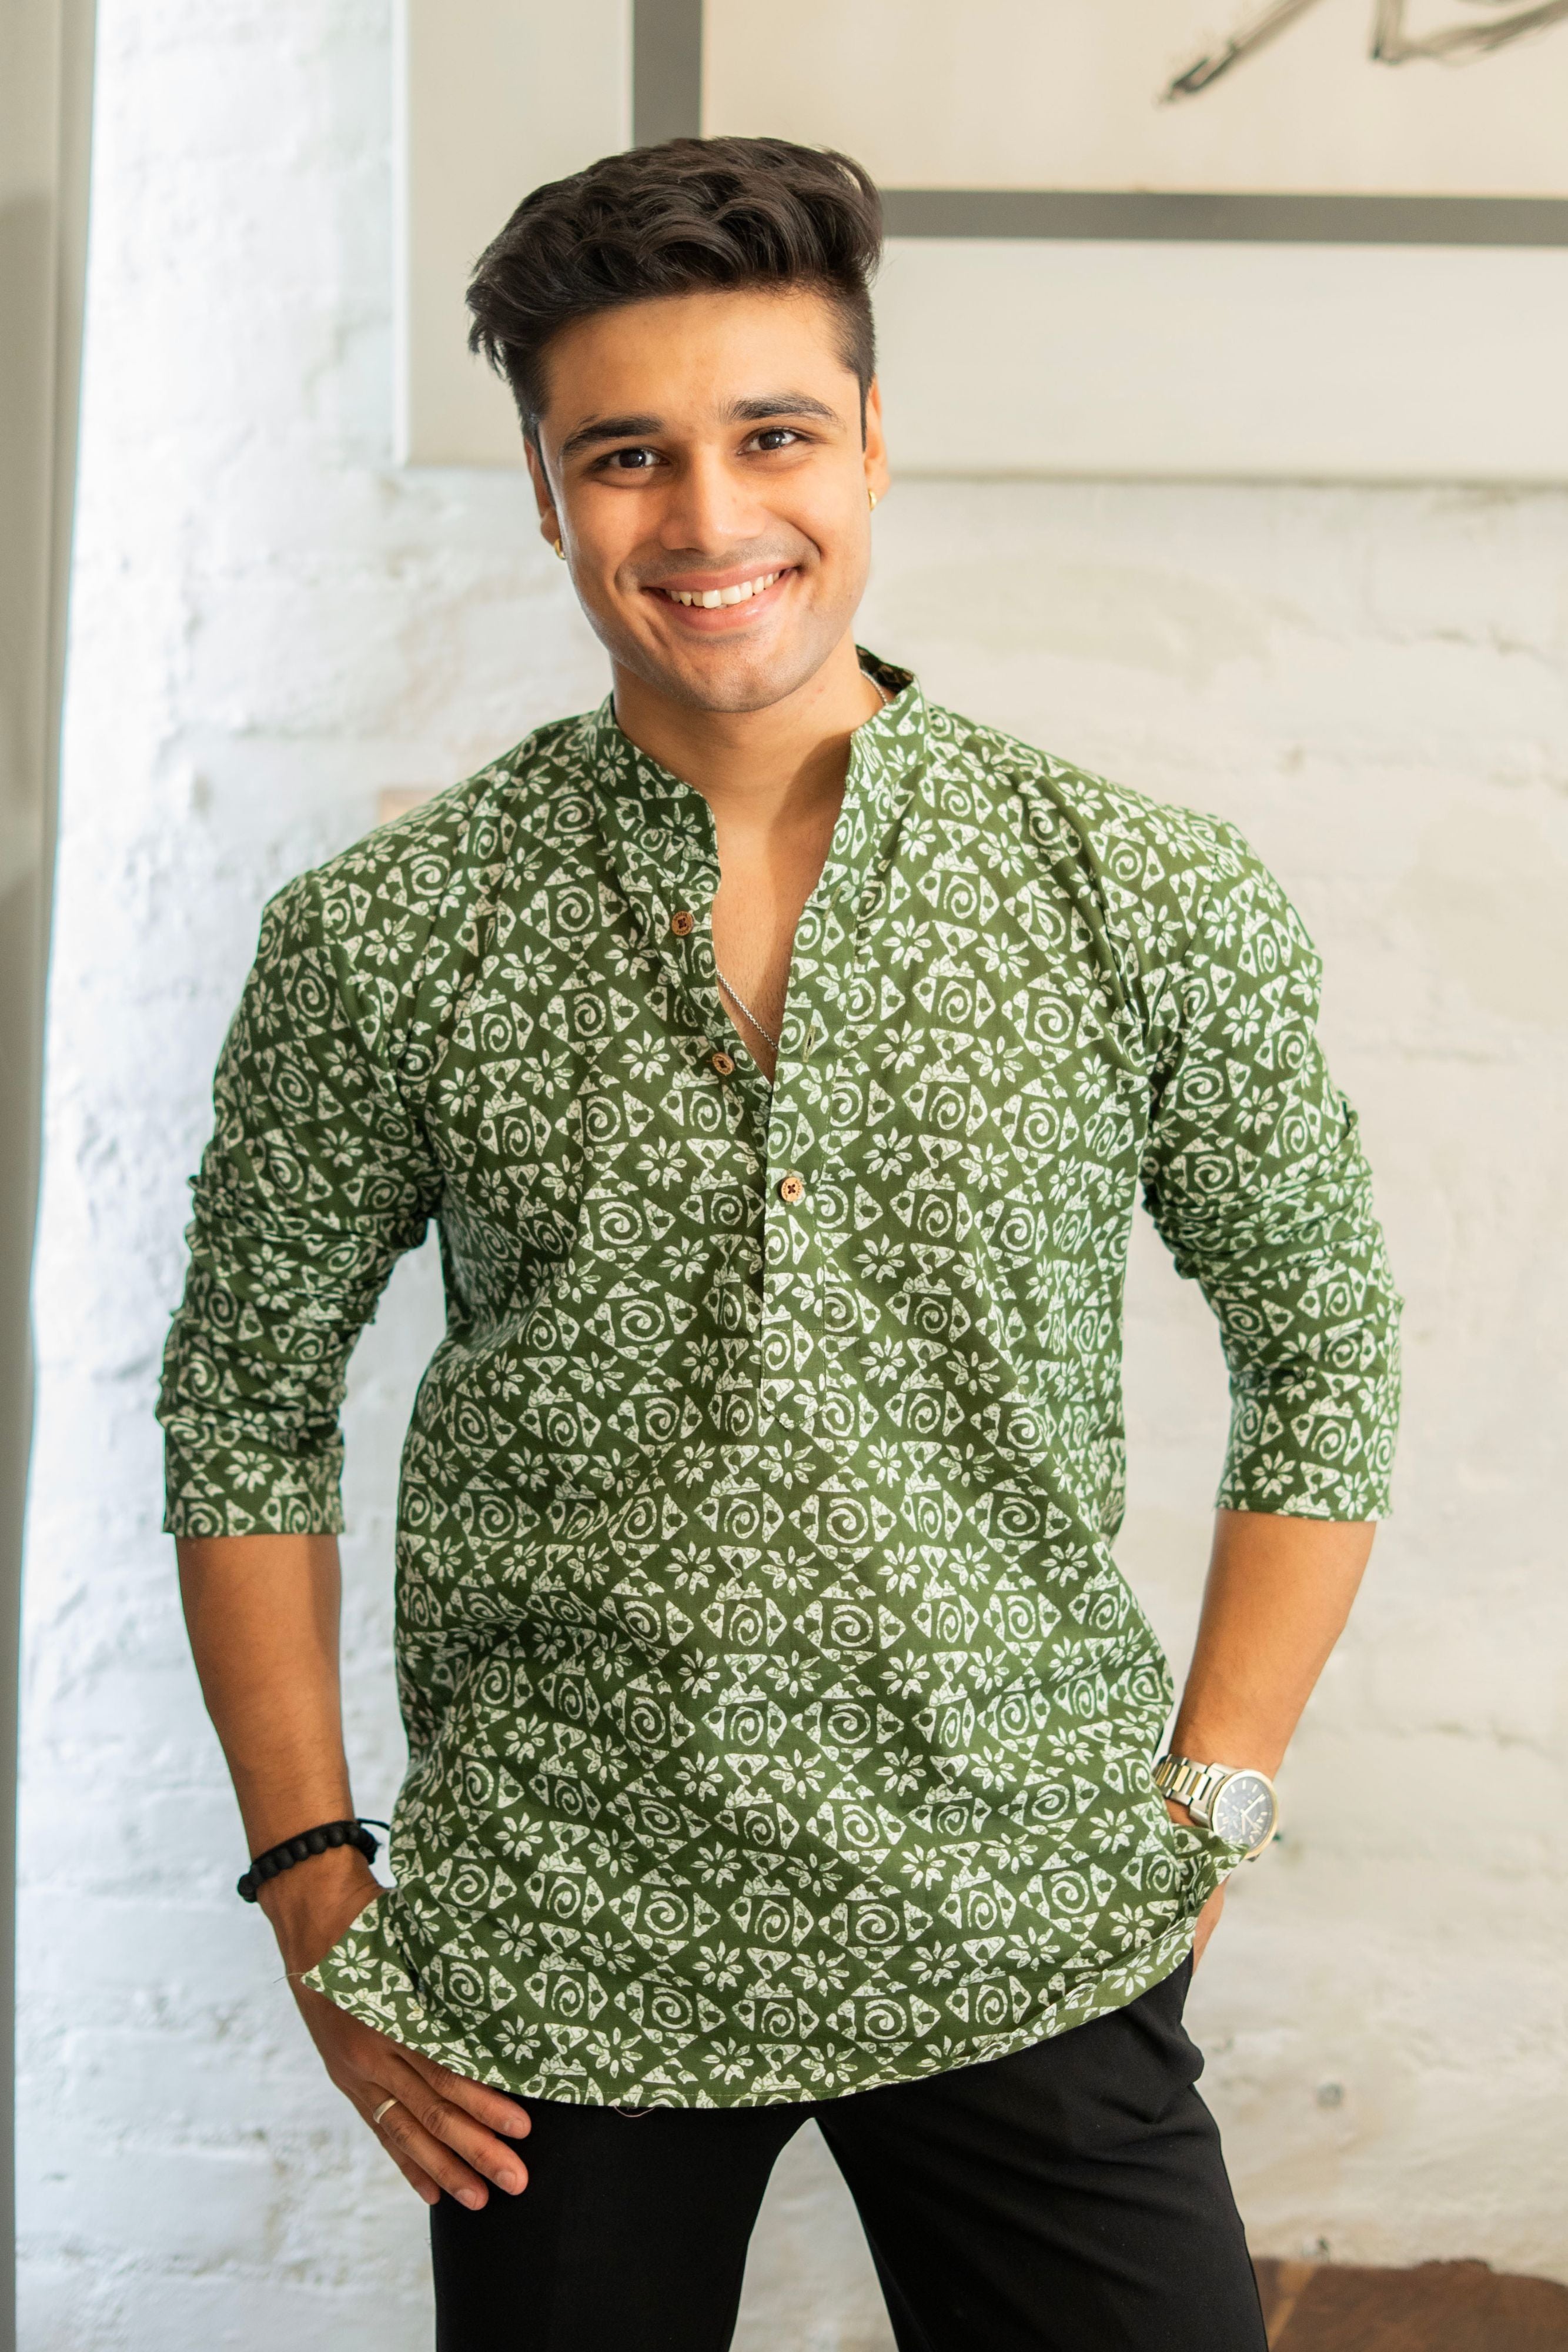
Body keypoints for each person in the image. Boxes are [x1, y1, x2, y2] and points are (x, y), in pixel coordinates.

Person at [161, 136, 1400, 2352]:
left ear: (871, 445)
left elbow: (1325, 1350)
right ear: (546, 497)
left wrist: (1212, 1795)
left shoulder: (1136, 893)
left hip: (1023, 1896)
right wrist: (315, 1891)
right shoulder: (393, 936)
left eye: (770, 437)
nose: (710, 523)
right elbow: (240, 1409)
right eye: (625, 457)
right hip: (555, 1941)